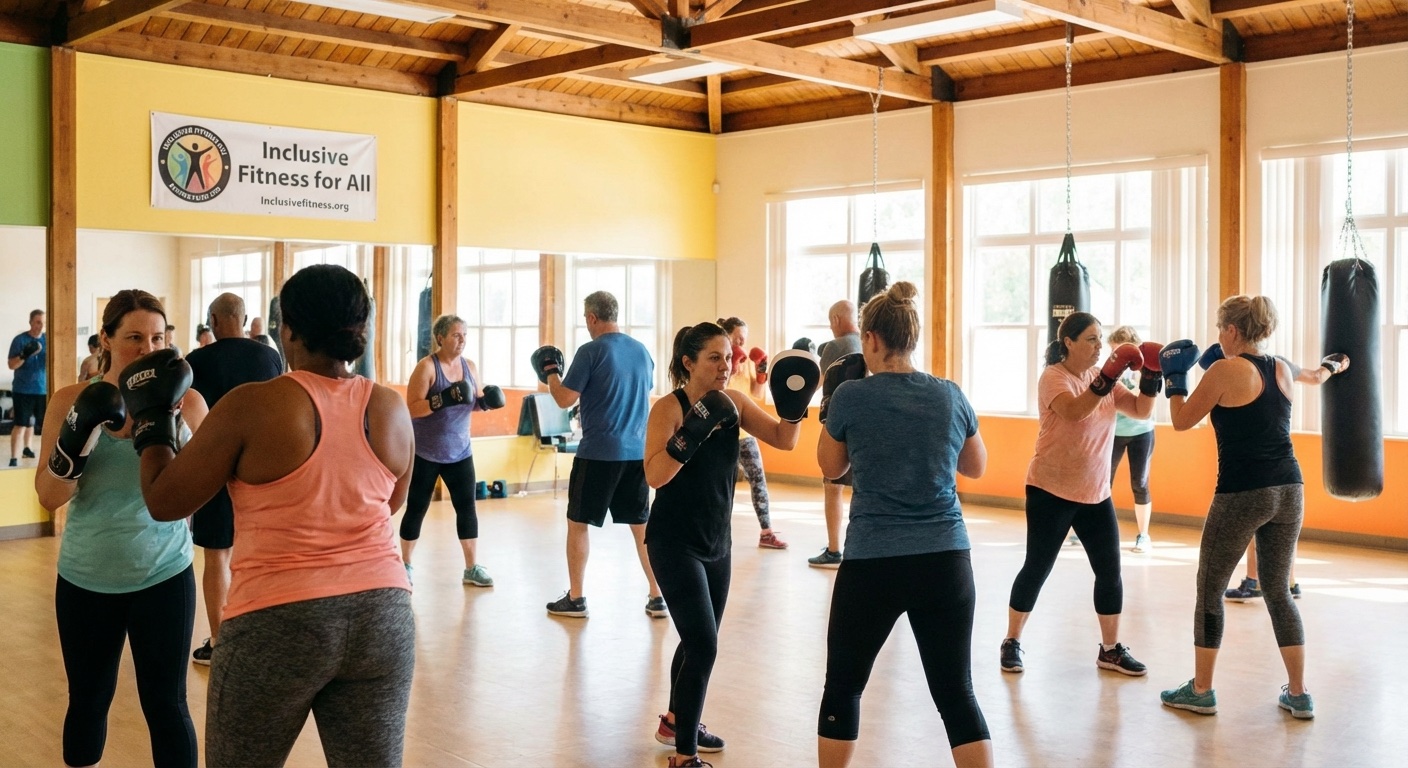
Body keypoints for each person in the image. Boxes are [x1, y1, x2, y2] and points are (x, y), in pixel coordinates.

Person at [130, 264, 417, 764]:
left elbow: (164, 501)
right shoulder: (390, 407)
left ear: (287, 330)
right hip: (383, 614)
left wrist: (152, 422)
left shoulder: (252, 405)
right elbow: (389, 503)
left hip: (279, 619)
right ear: (361, 328)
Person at [815, 282, 993, 768]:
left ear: (871, 339)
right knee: (956, 692)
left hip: (873, 562)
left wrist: (831, 403)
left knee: (844, 686)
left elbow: (830, 466)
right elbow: (976, 467)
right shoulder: (949, 394)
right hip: (946, 560)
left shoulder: (851, 395)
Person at [34, 290, 207, 768]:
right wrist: (79, 438)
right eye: (134, 337)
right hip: (86, 576)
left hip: (164, 573)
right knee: (88, 701)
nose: (147, 348)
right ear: (106, 339)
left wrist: (170, 429)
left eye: (157, 337)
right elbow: (49, 497)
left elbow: (206, 490)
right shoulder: (70, 401)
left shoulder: (189, 402)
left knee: (167, 705)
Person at [1158, 301, 1346, 720]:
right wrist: (1334, 365)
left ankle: (1201, 690)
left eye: (1219, 328)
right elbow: (1316, 376)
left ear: (1231, 330)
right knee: (1278, 591)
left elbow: (1182, 420)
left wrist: (1174, 380)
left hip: (1243, 491)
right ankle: (1298, 693)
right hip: (1290, 489)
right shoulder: (1282, 366)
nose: (1217, 336)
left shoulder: (1224, 371)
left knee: (1210, 589)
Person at [644, 323, 814, 768]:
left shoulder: (735, 403)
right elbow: (655, 476)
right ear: (688, 363)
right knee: (703, 644)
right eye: (715, 357)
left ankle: (677, 720)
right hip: (673, 541)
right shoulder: (668, 408)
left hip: (717, 543)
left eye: (729, 357)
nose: (727, 365)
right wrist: (692, 432)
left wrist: (795, 406)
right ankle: (684, 755)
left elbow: (784, 439)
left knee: (697, 639)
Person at [1001, 312, 1157, 676]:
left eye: (1101, 338)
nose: (1099, 346)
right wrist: (1109, 376)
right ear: (1068, 342)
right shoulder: (1053, 378)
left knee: (1110, 571)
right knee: (1037, 567)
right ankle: (1011, 640)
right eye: (1091, 339)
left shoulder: (1100, 377)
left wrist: (1152, 376)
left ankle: (1110, 650)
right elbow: (1074, 411)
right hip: (1050, 490)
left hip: (1095, 493)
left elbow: (1141, 411)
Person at [535, 291, 664, 619]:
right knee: (641, 527)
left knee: (578, 523)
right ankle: (657, 596)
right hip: (636, 454)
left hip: (598, 454)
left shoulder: (590, 351)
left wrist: (551, 372)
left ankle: (576, 599)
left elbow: (564, 399)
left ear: (592, 317)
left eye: (586, 319)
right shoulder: (642, 351)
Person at [181, 292, 283, 665]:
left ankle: (219, 642)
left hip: (215, 467)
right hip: (261, 468)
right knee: (259, 555)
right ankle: (260, 636)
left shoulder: (196, 361)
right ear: (243, 318)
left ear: (213, 320)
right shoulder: (269, 357)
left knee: (217, 557)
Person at [400, 314, 504, 587]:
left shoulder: (469, 366)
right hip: (426, 453)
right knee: (417, 508)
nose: (462, 340)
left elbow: (473, 401)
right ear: (441, 338)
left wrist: (487, 403)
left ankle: (471, 568)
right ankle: (405, 564)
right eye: (456, 335)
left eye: (464, 335)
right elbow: (412, 408)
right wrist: (442, 399)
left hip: (460, 451)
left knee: (467, 508)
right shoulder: (427, 367)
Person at [717, 316, 787, 550]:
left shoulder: (746, 359)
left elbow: (756, 393)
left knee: (758, 481)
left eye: (743, 338)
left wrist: (761, 370)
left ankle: (767, 533)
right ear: (726, 335)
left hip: (744, 433)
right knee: (720, 485)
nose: (741, 342)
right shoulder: (718, 361)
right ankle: (715, 533)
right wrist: (731, 366)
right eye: (737, 337)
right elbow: (714, 393)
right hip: (719, 433)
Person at [810, 299, 861, 568]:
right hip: (866, 424)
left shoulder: (836, 346)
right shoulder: (868, 344)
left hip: (839, 425)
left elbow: (815, 382)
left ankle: (833, 550)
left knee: (833, 486)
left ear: (835, 320)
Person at [1106, 326, 1156, 553]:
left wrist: (1134, 382)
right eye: (1114, 351)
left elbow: (1143, 402)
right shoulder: (1108, 368)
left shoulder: (1147, 369)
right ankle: (1091, 528)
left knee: (1140, 483)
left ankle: (1143, 535)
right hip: (1114, 432)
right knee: (1102, 482)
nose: (1116, 355)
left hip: (1142, 432)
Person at [8, 309, 46, 467]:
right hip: (22, 389)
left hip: (43, 389)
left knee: (39, 424)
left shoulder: (48, 340)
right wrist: (24, 355)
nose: (40, 326)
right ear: (30, 322)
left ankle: (28, 449)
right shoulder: (20, 340)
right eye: (37, 322)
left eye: (43, 323)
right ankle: (14, 458)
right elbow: (11, 365)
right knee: (21, 424)